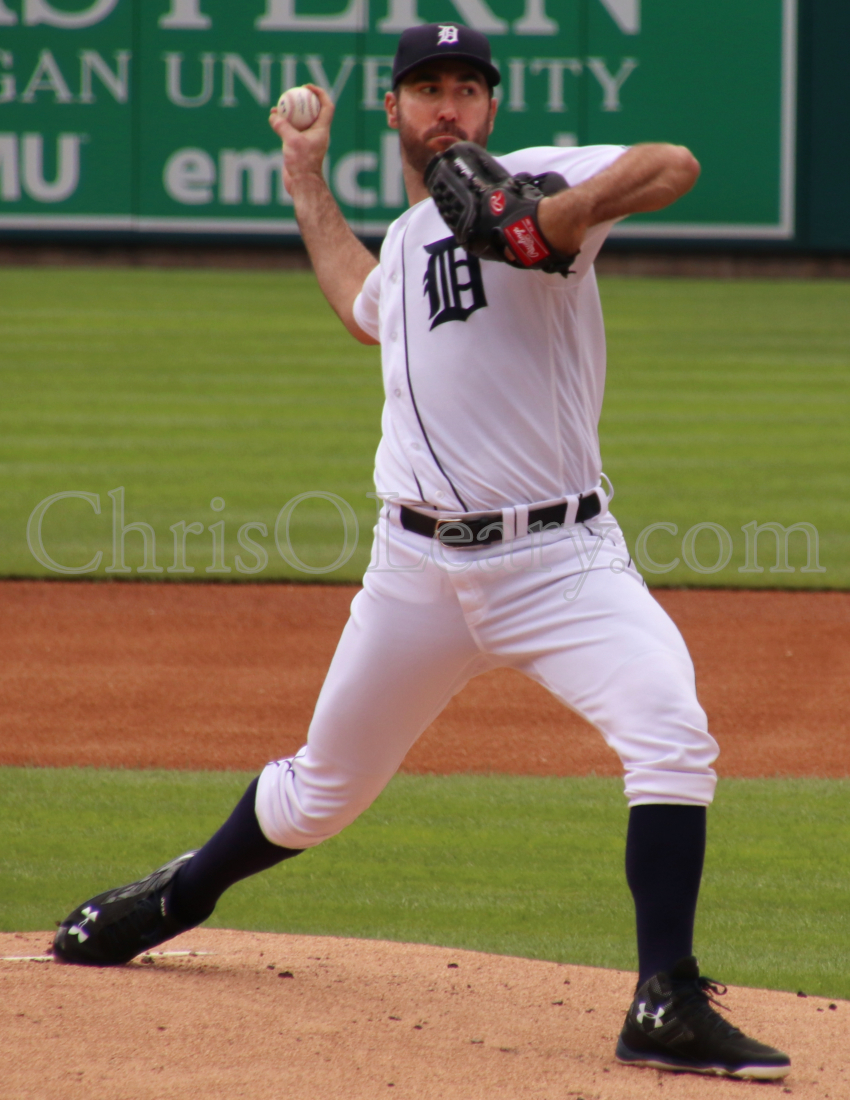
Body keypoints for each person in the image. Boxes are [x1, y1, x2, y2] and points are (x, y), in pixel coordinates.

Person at [54, 23, 790, 1082]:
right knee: (319, 794)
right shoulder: (406, 242)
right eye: (425, 88)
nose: (446, 105)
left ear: (491, 109)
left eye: (465, 88)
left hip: (562, 561)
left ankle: (663, 999)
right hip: (413, 575)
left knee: (671, 731)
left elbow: (671, 166)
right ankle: (169, 896)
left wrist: (548, 222)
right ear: (391, 108)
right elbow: (362, 305)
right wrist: (304, 179)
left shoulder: (535, 180)